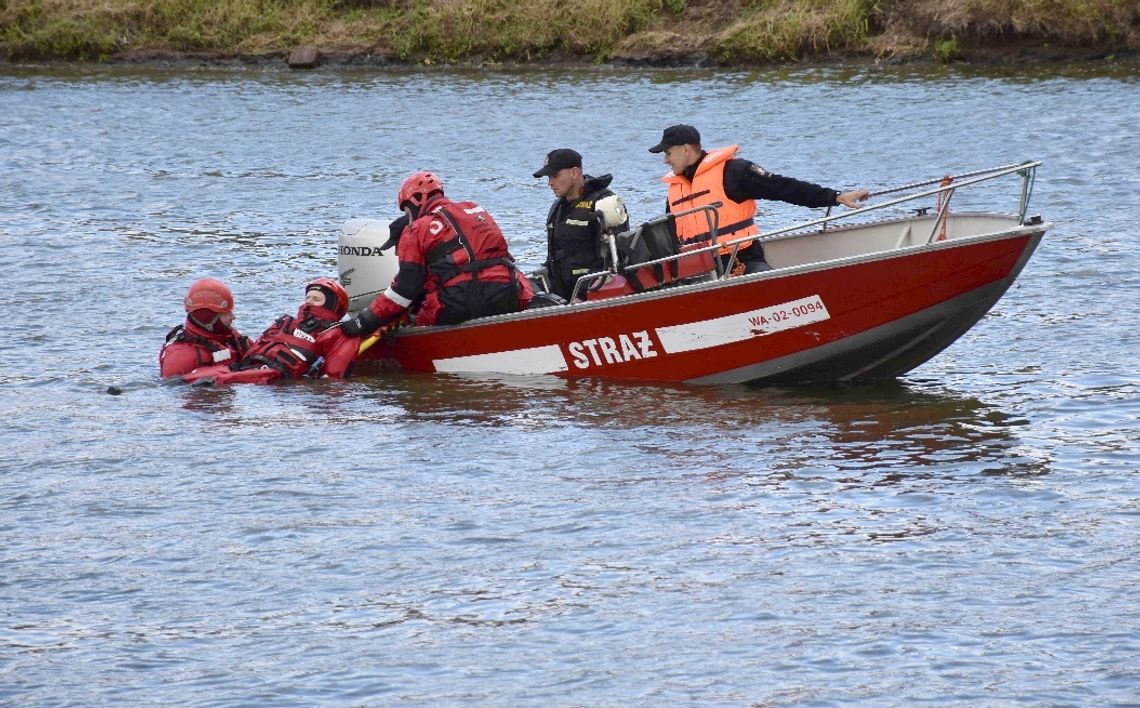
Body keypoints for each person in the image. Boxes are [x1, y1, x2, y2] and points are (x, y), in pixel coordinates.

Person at [648, 124, 871, 273]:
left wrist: (835, 197)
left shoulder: (734, 172)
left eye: (667, 153)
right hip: (700, 271)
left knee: (763, 277)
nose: (665, 161)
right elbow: (670, 237)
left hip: (743, 261)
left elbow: (784, 188)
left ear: (686, 150)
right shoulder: (676, 188)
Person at [340, 171, 533, 337]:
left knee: (418, 316)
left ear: (416, 201)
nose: (408, 217)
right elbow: (503, 257)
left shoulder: (416, 229)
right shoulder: (475, 210)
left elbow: (404, 290)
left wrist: (364, 322)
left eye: (407, 211)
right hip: (506, 294)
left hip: (458, 303)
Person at [181, 277, 355, 384]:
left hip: (274, 377)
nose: (309, 302)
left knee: (215, 380)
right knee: (195, 377)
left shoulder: (334, 333)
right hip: (246, 367)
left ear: (332, 306)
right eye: (307, 297)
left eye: (316, 299)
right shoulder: (285, 323)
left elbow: (333, 378)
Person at [532, 148, 630, 301]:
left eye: (555, 176)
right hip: (562, 297)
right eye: (549, 177)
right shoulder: (557, 208)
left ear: (574, 172)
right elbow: (554, 258)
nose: (550, 182)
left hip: (592, 296)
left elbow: (612, 261)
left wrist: (581, 296)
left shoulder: (604, 204)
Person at [160, 278, 252, 378]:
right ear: (209, 319)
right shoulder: (180, 357)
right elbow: (174, 387)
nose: (233, 317)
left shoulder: (231, 337)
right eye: (226, 314)